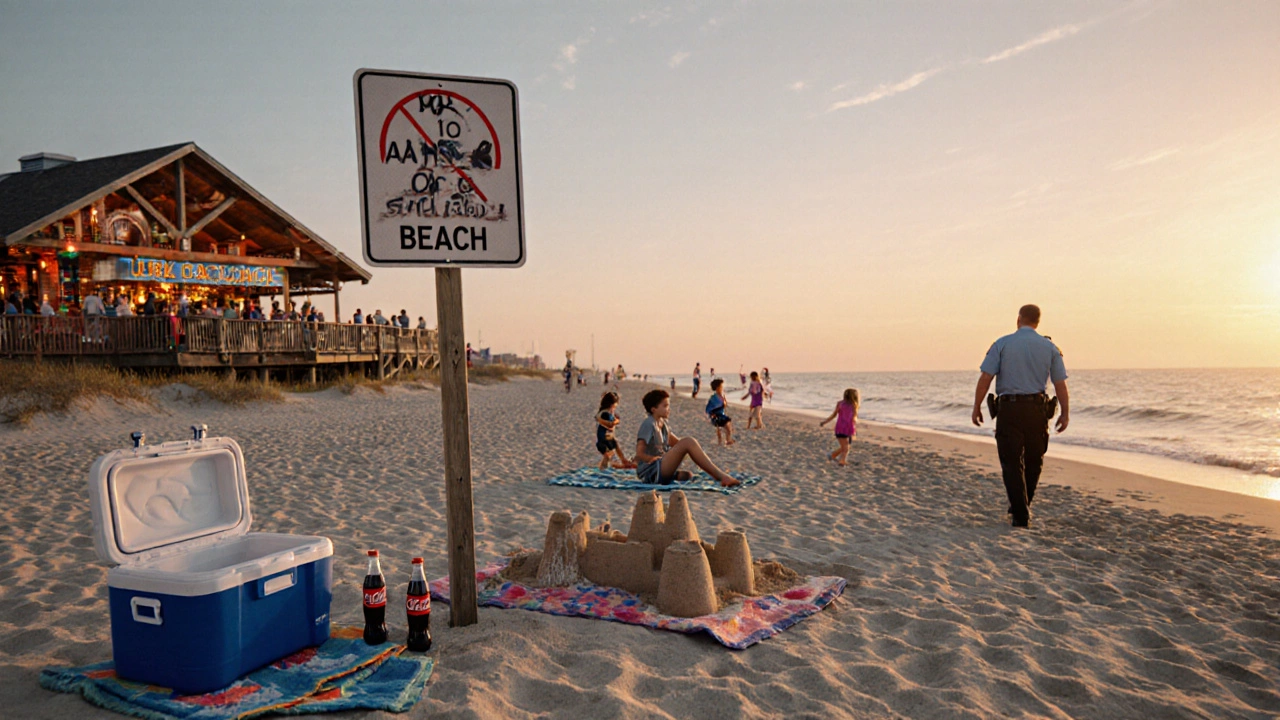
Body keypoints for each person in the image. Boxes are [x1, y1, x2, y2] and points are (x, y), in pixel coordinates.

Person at [971, 304, 1070, 529]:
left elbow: (985, 378)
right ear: (1038, 322)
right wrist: (1065, 413)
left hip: (1009, 410)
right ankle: (1021, 508)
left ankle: (1020, 513)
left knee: (1011, 462)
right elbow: (1060, 384)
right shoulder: (1050, 347)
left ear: (1019, 319)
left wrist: (977, 406)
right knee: (1034, 462)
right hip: (1036, 410)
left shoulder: (1002, 344)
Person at [635, 389, 739, 487]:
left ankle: (716, 474)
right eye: (665, 406)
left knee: (687, 475)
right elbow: (639, 453)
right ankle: (721, 477)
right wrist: (651, 459)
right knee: (689, 441)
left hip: (661, 465)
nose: (669, 409)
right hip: (652, 470)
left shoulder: (662, 424)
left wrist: (697, 453)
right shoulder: (648, 424)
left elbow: (677, 443)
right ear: (654, 409)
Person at [595, 392, 635, 470]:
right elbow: (610, 424)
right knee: (607, 456)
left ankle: (624, 462)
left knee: (614, 451)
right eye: (616, 403)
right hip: (603, 439)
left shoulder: (608, 412)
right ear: (612, 404)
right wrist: (617, 421)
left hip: (609, 438)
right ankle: (602, 470)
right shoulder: (604, 414)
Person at [819, 388, 859, 466]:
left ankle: (832, 455)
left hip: (844, 428)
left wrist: (825, 422)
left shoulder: (843, 404)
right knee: (846, 447)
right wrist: (825, 422)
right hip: (844, 428)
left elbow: (834, 415)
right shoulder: (852, 405)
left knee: (846, 446)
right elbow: (853, 418)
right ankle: (842, 461)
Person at [705, 378, 735, 446]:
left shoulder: (722, 396)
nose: (722, 388)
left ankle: (727, 440)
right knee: (720, 428)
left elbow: (724, 405)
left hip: (722, 415)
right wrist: (711, 414)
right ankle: (721, 441)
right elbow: (708, 408)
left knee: (728, 427)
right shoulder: (713, 398)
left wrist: (724, 403)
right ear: (717, 388)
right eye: (721, 386)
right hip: (716, 415)